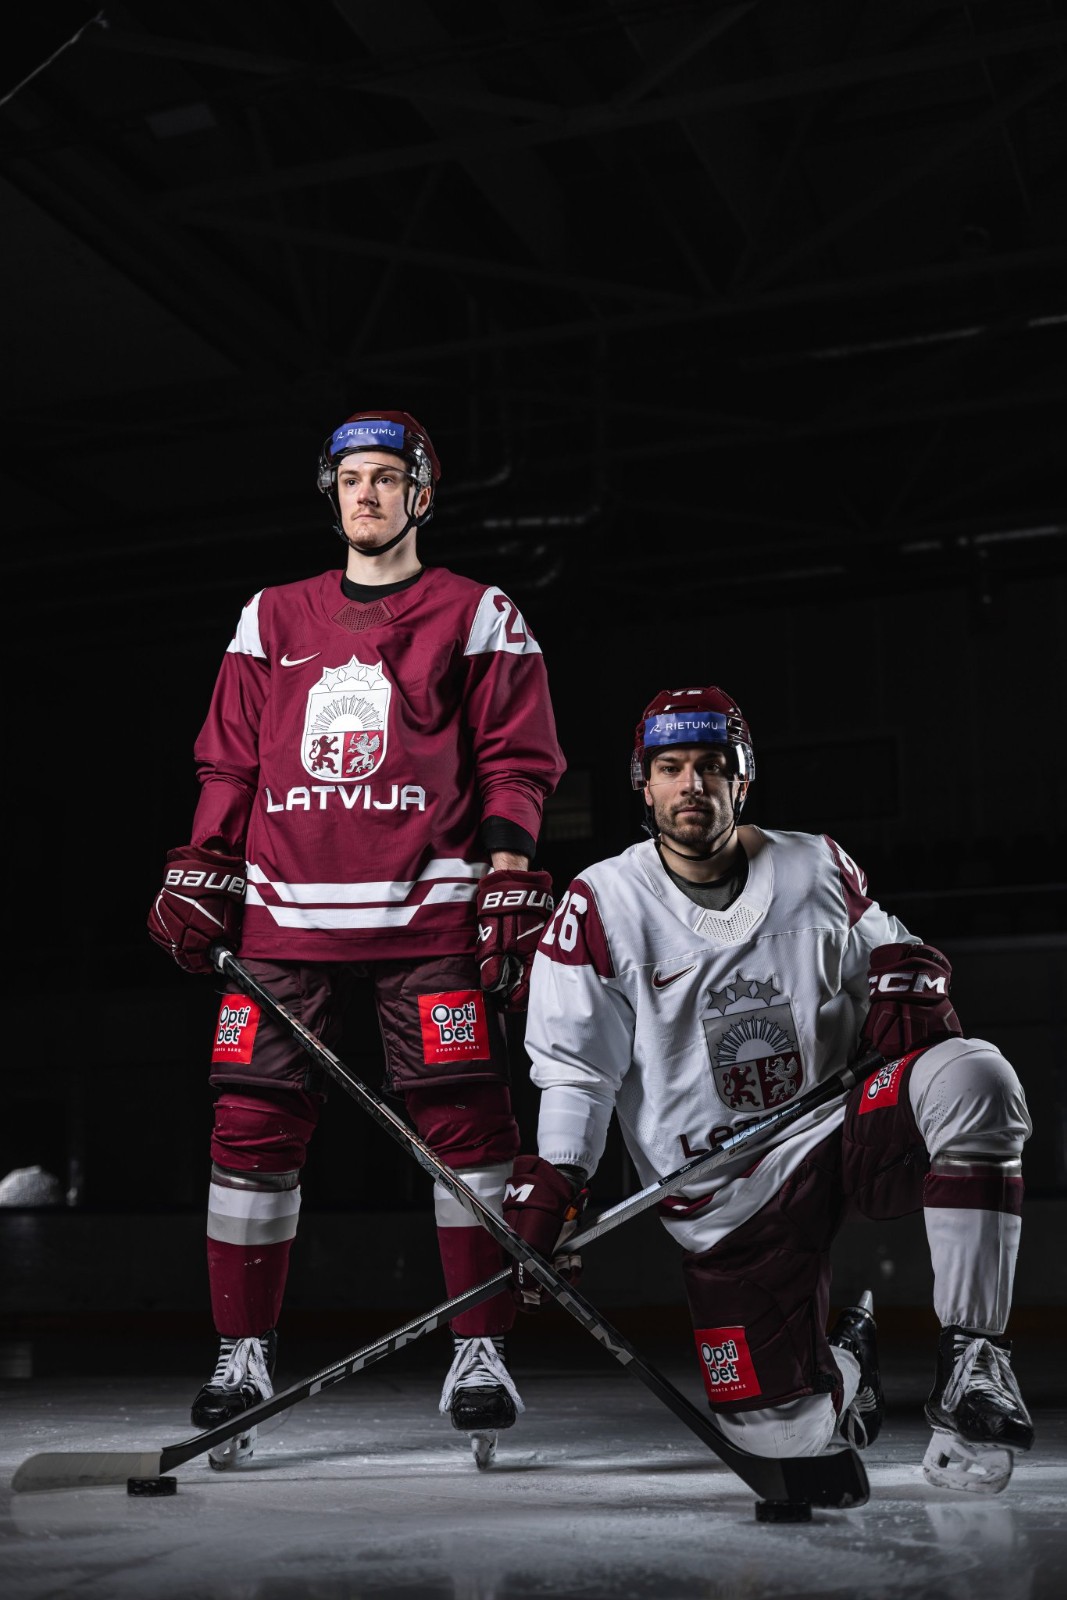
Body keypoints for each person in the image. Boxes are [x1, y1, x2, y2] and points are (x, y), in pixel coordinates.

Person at [147, 410, 565, 1467]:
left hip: (428, 914)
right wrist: (205, 861)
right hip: (283, 919)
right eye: (350, 479)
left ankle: (478, 1350)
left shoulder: (479, 612)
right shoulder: (271, 614)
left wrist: (507, 871)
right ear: (329, 494)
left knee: (466, 1125)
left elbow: (516, 758)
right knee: (249, 1127)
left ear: (421, 493)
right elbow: (229, 760)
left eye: (386, 477)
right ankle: (241, 1352)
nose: (366, 495)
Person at [504, 685, 1034, 1496]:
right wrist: (561, 1177)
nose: (691, 785)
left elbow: (892, 953)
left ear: (742, 777)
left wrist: (911, 983)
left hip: (841, 1125)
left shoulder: (815, 863)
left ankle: (974, 1360)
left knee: (974, 1076)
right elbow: (579, 1068)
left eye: (711, 766)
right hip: (723, 1199)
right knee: (784, 1435)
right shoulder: (601, 901)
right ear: (642, 785)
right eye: (670, 768)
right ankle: (844, 1369)